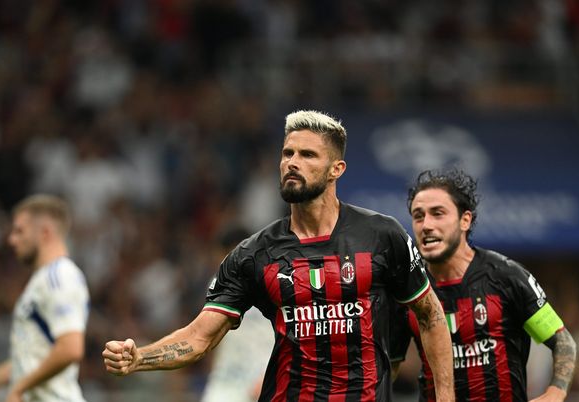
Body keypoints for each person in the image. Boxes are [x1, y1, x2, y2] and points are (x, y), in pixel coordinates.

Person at [102, 110, 455, 401]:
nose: (292, 163)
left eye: (307, 155)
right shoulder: (253, 253)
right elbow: (199, 337)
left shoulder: (382, 235)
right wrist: (140, 357)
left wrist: (445, 396)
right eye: (288, 154)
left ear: (336, 169)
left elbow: (431, 316)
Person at [391, 169, 577, 402]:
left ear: (465, 220)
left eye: (438, 213)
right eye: (418, 216)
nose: (426, 225)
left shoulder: (506, 276)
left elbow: (562, 340)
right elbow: (390, 366)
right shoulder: (408, 289)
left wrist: (555, 393)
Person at [0, 194, 90, 402]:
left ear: (45, 233)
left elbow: (71, 348)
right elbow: (30, 361)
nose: (12, 239)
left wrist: (19, 388)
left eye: (19, 231)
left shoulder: (59, 277)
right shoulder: (41, 280)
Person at [199, 225, 274, 402]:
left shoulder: (273, 283)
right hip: (227, 381)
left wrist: (271, 376)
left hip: (263, 379)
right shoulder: (217, 285)